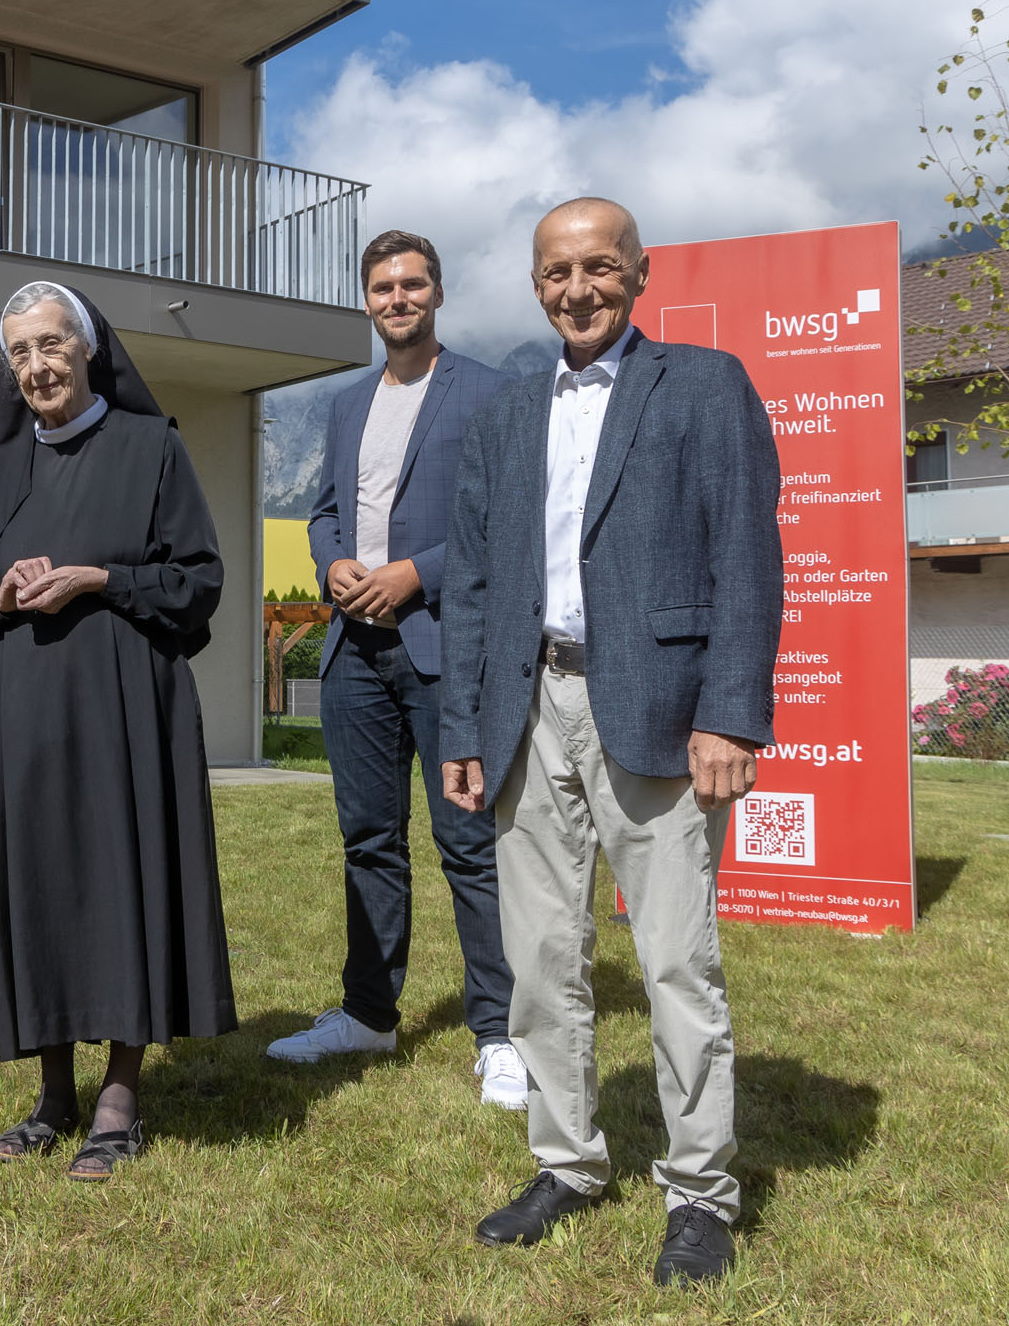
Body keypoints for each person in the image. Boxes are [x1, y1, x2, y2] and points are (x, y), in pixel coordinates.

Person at [438, 197, 781, 1285]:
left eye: (597, 267)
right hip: (525, 707)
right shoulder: (503, 412)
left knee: (675, 960)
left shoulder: (706, 385)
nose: (576, 289)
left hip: (661, 709)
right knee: (540, 960)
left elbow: (747, 554)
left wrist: (730, 712)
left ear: (639, 273)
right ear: (535, 284)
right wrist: (463, 725)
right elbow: (472, 582)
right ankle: (567, 1161)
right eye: (556, 272)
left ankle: (699, 1192)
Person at [0, 281, 235, 1182]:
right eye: (20, 352)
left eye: (52, 343)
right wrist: (1, 596)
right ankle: (52, 1095)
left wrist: (101, 578)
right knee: (42, 887)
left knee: (122, 880)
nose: (37, 366)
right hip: (25, 715)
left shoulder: (151, 447)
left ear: (90, 347)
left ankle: (118, 1099)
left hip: (126, 706)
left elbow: (199, 582)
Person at [267, 231, 521, 1109]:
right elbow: (324, 512)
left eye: (413, 284)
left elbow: (509, 519)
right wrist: (333, 562)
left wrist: (418, 574)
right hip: (354, 656)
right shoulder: (346, 405)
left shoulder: (489, 392)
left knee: (469, 844)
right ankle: (369, 1015)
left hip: (445, 650)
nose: (398, 298)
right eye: (382, 287)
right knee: (369, 840)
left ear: (438, 293)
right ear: (367, 300)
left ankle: (500, 1033)